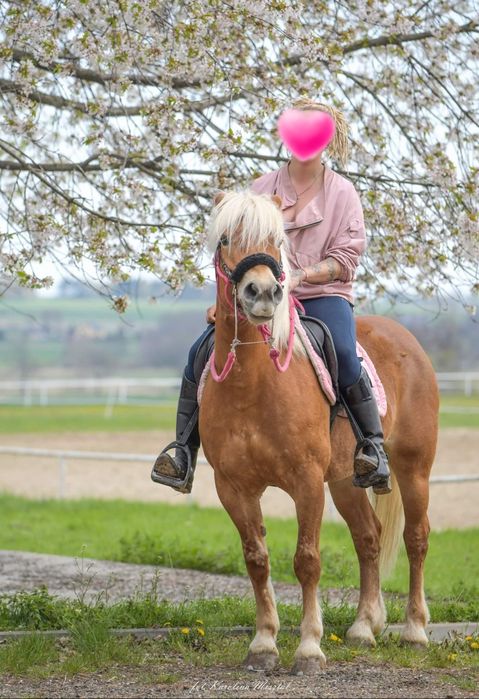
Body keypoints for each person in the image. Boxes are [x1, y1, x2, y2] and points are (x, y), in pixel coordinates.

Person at [152, 97, 391, 496]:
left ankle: (373, 448)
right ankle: (183, 452)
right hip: (260, 296)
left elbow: (346, 259)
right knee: (199, 352)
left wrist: (298, 277)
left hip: (322, 295)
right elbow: (239, 250)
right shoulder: (262, 189)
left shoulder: (342, 193)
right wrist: (229, 299)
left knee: (346, 355)